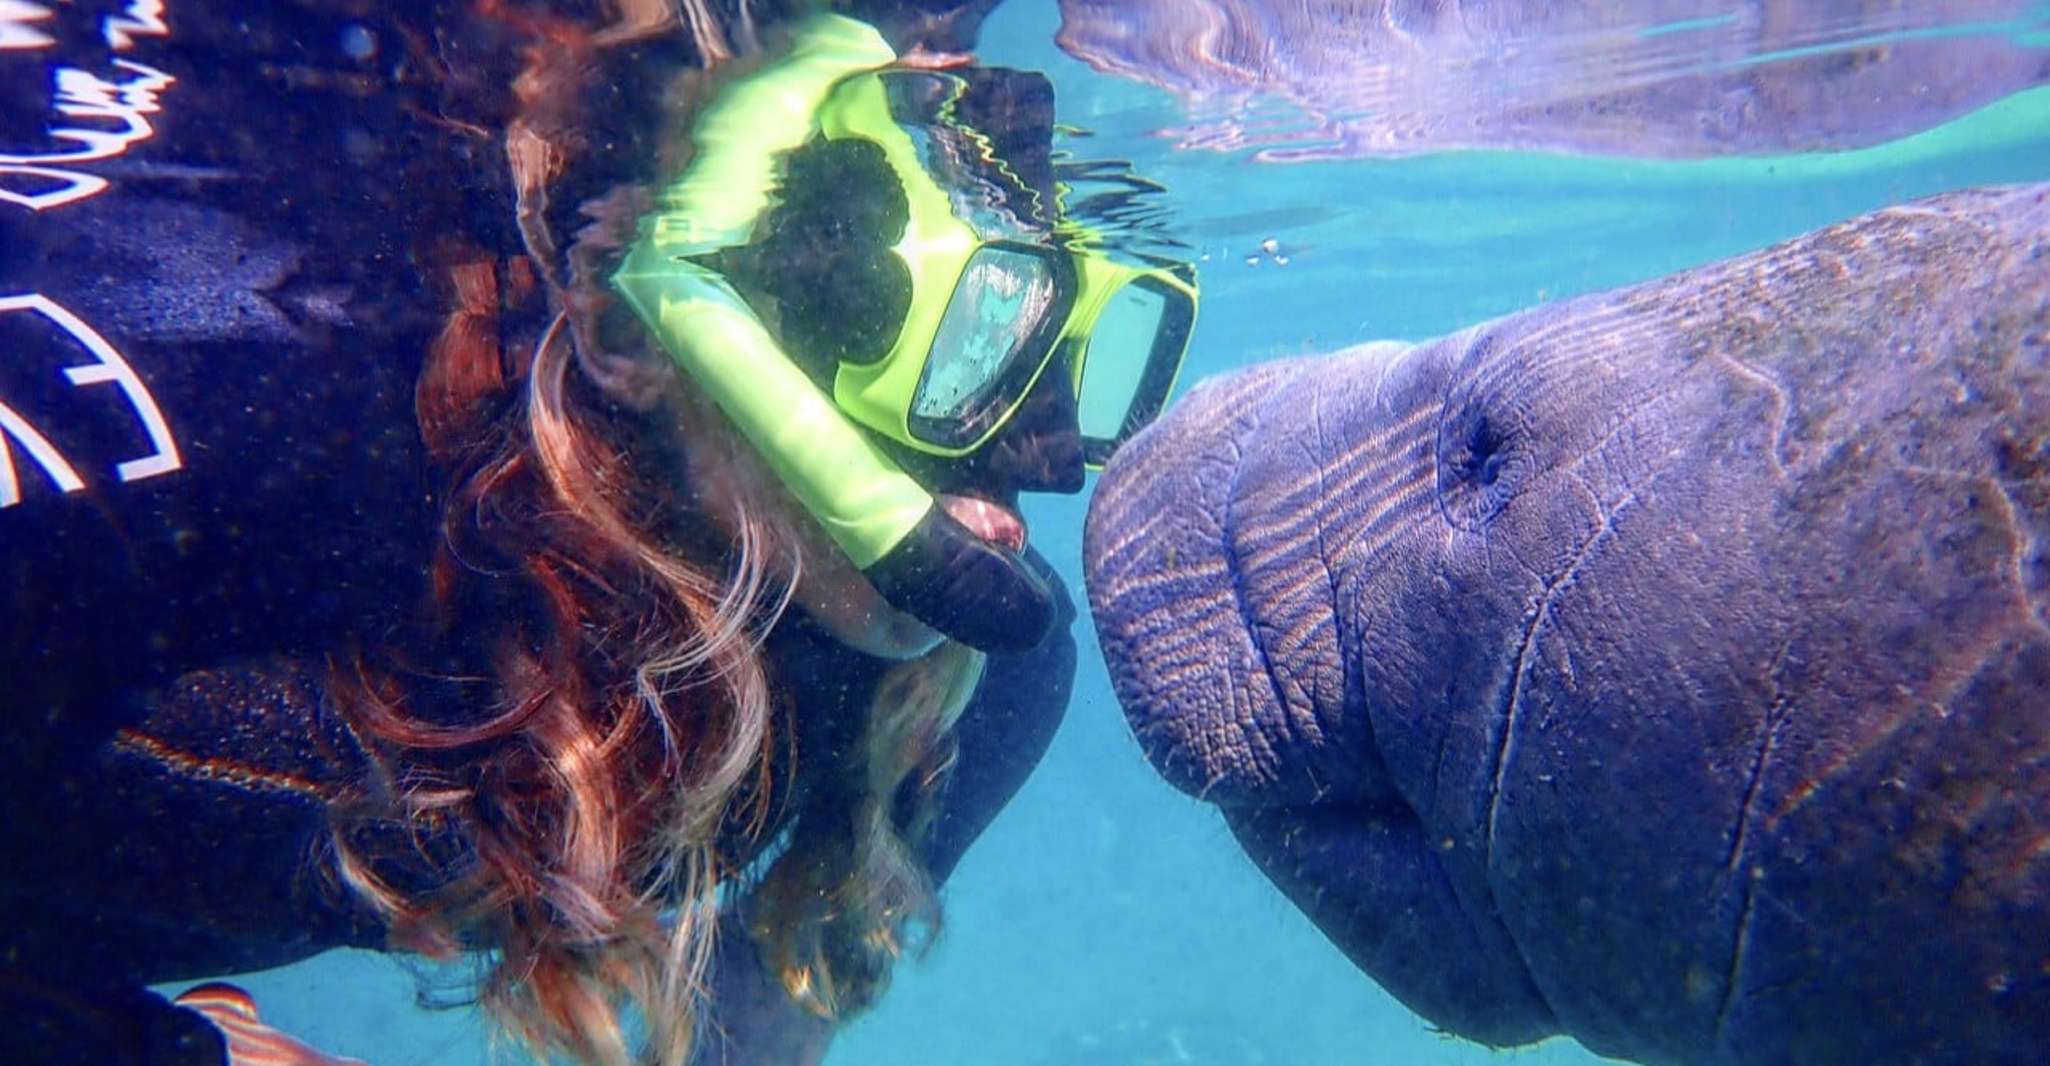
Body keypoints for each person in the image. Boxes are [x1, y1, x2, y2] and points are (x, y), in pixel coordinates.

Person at [0, 3, 1194, 1064]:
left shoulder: (915, 664)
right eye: (925, 371)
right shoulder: (261, 461)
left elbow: (1026, 664)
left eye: (1030, 376)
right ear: (631, 333)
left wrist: (802, 975)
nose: (990, 519)